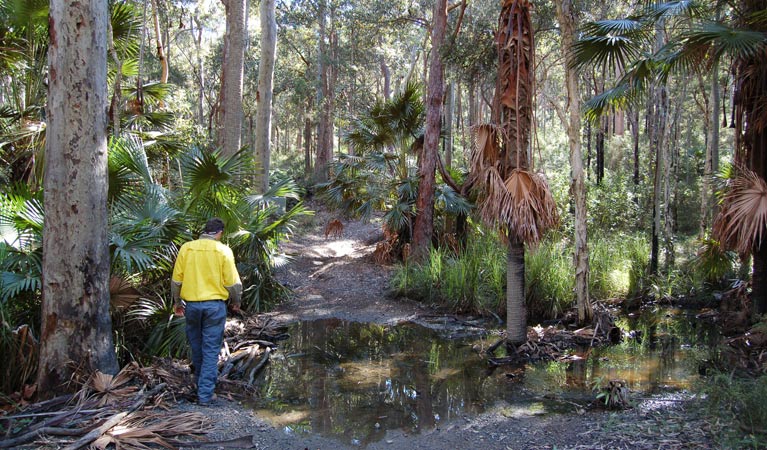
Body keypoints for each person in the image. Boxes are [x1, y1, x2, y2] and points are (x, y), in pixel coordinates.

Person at [171, 218, 242, 405]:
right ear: (220, 233)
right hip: (214, 307)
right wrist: (236, 301)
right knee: (210, 349)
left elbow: (176, 281)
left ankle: (199, 385)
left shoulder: (187, 248)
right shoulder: (223, 250)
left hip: (192, 306)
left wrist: (177, 302)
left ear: (204, 231)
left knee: (196, 346)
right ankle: (205, 394)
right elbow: (232, 283)